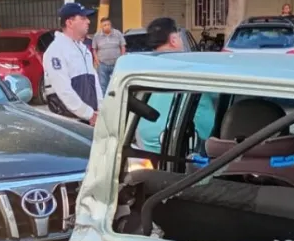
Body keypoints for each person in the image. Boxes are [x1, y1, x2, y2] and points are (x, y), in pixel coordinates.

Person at [135, 17, 219, 154]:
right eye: (179, 37)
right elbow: (220, 93)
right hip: (196, 147)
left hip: (149, 147)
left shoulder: (143, 72)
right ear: (173, 40)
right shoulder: (191, 69)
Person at [42, 2, 102, 125]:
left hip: (90, 119)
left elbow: (95, 82)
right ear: (69, 22)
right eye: (83, 18)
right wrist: (88, 114)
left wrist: (100, 108)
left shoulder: (84, 49)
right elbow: (63, 90)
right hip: (70, 123)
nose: (88, 22)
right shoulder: (56, 51)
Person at [91, 17, 126, 92]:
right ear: (101, 27)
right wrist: (97, 60)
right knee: (103, 84)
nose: (107, 26)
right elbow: (94, 49)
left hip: (116, 64)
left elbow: (122, 46)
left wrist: (122, 59)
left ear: (111, 25)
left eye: (108, 24)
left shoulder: (117, 33)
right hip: (102, 64)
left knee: (117, 84)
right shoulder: (97, 36)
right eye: (104, 25)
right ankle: (104, 102)